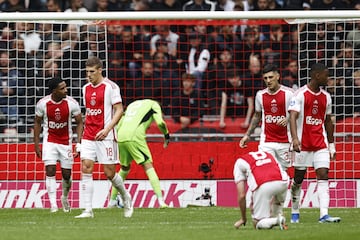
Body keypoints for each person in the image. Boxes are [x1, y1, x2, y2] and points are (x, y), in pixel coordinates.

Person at [75, 56, 133, 218]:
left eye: (92, 72)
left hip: (105, 136)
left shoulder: (111, 87)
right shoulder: (85, 88)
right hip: (89, 135)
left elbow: (119, 110)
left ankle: (125, 196)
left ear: (100, 70)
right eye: (87, 72)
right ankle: (88, 210)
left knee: (109, 173)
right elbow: (90, 112)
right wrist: (80, 139)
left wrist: (107, 130)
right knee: (86, 167)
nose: (89, 75)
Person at [288, 62, 341, 223]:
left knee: (323, 174)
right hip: (302, 145)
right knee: (298, 179)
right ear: (317, 76)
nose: (328, 79)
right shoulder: (299, 94)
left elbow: (328, 122)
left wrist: (331, 145)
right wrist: (295, 139)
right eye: (326, 75)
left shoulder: (327, 97)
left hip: (320, 144)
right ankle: (295, 211)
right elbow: (292, 117)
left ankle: (324, 215)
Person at [108, 99, 170, 208]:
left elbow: (121, 121)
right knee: (148, 166)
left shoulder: (133, 104)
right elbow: (160, 122)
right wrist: (166, 135)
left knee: (124, 169)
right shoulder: (154, 105)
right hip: (135, 136)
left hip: (121, 136)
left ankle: (112, 201)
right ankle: (161, 201)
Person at [33, 77, 83, 213]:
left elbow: (79, 122)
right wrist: (36, 144)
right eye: (62, 88)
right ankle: (53, 205)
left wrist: (78, 143)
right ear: (54, 91)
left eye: (65, 87)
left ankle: (64, 198)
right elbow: (37, 122)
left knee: (66, 174)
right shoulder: (43, 103)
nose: (66, 90)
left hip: (66, 143)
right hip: (49, 141)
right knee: (50, 170)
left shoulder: (72, 103)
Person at [240, 64, 294, 171]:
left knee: (281, 173)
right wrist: (247, 135)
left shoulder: (289, 94)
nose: (268, 81)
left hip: (285, 141)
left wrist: (288, 119)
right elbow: (257, 116)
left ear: (277, 76)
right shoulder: (260, 95)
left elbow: (299, 113)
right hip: (267, 141)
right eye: (265, 78)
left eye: (271, 77)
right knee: (267, 171)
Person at [233, 150, 289, 230]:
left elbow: (241, 196)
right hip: (284, 181)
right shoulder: (267, 154)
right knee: (275, 211)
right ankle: (278, 219)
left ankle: (278, 220)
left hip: (263, 184)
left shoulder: (238, 163)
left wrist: (243, 218)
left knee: (257, 223)